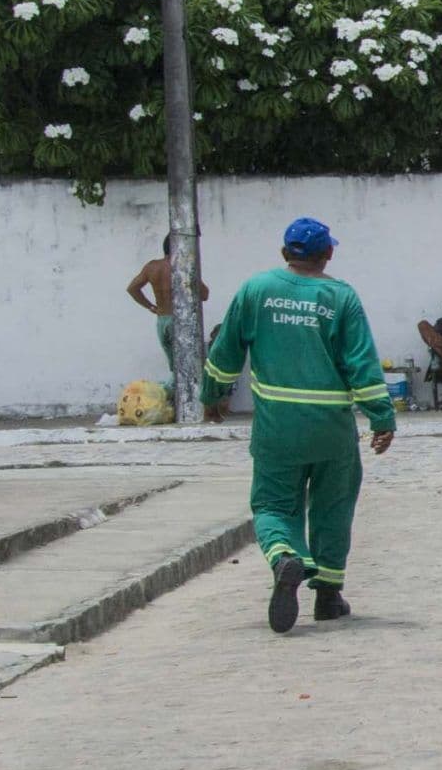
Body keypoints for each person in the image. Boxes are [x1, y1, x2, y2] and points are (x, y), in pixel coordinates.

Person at [201, 218, 395, 634]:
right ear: (328, 255)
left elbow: (226, 349)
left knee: (272, 505)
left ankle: (285, 555)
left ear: (284, 254)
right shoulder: (341, 296)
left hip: (277, 426)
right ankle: (328, 596)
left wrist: (212, 394)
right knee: (333, 506)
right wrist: (381, 416)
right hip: (332, 429)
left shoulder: (256, 290)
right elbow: (360, 362)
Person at [126, 234, 208, 380]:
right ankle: (170, 395)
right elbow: (204, 295)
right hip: (181, 321)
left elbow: (132, 288)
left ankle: (172, 396)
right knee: (188, 367)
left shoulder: (152, 267)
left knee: (176, 368)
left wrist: (151, 306)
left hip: (162, 320)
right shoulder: (184, 266)